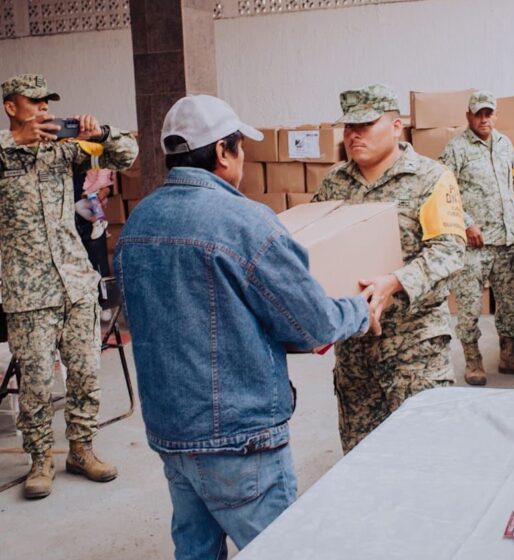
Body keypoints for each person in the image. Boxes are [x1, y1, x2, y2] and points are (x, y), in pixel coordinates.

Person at [115, 94, 376, 558]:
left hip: (171, 432)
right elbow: (312, 324)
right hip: (239, 438)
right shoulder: (246, 221)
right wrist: (360, 308)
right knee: (276, 547)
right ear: (222, 152)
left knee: (195, 550)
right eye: (240, 147)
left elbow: (147, 316)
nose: (243, 158)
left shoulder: (139, 222)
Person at [0, 73, 138, 499]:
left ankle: (81, 449)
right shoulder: (4, 155)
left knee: (86, 374)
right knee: (38, 382)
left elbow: (126, 156)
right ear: (12, 107)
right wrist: (16, 143)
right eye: (35, 102)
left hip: (76, 282)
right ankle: (40, 459)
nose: (44, 109)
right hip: (28, 292)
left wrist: (104, 132)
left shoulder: (65, 151)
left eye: (48, 102)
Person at [313, 84, 466, 452]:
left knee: (422, 457)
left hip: (415, 348)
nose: (353, 134)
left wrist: (395, 282)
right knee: (361, 461)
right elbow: (313, 248)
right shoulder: (335, 183)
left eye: (365, 124)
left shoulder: (431, 178)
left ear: (396, 126)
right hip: (354, 352)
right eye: (349, 127)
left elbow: (449, 251)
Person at [438, 90, 514, 385]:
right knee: (468, 306)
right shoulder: (456, 149)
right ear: (468, 116)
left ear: (495, 114)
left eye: (488, 113)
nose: (484, 119)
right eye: (478, 113)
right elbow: (443, 190)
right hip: (474, 245)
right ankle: (473, 361)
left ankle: (509, 356)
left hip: (506, 240)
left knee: (513, 302)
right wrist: (467, 223)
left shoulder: (505, 144)